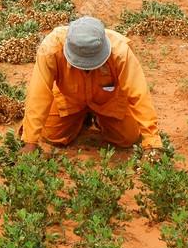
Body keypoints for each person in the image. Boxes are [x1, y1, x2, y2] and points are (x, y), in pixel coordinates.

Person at [20, 16, 163, 158]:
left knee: (127, 138)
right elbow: (38, 93)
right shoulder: (51, 49)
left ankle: (99, 118)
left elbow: (139, 93)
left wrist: (152, 143)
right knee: (52, 135)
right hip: (70, 98)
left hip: (108, 100)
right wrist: (30, 141)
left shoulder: (120, 52)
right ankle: (82, 117)